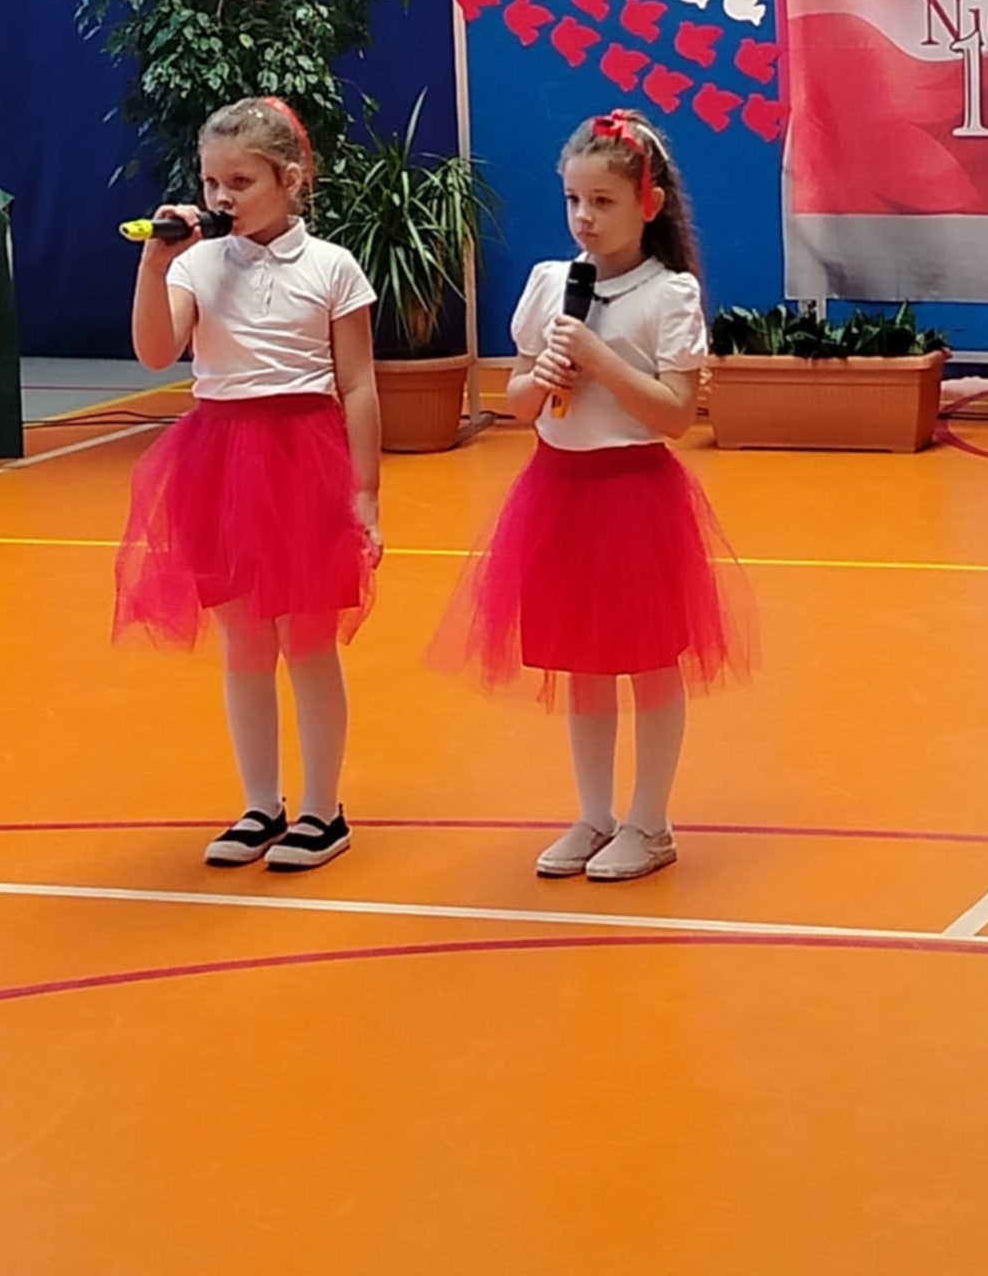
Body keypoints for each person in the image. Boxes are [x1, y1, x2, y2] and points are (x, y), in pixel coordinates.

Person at [429, 108, 752, 882]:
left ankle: (651, 821)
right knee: (582, 663)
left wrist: (600, 360)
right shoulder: (552, 283)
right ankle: (594, 814)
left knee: (649, 661)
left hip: (632, 498)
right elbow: (517, 402)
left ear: (648, 204)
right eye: (573, 200)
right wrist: (538, 380)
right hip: (558, 492)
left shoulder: (669, 294)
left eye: (602, 201)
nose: (584, 217)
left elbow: (675, 414)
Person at [114, 96, 381, 871]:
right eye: (211, 182)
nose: (221, 197)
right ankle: (262, 803)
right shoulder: (198, 264)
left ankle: (323, 810)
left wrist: (365, 492)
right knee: (244, 642)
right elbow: (156, 352)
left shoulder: (332, 266)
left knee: (308, 640)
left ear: (289, 180)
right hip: (220, 460)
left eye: (240, 181)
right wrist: (156, 264)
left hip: (302, 458)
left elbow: (358, 385)